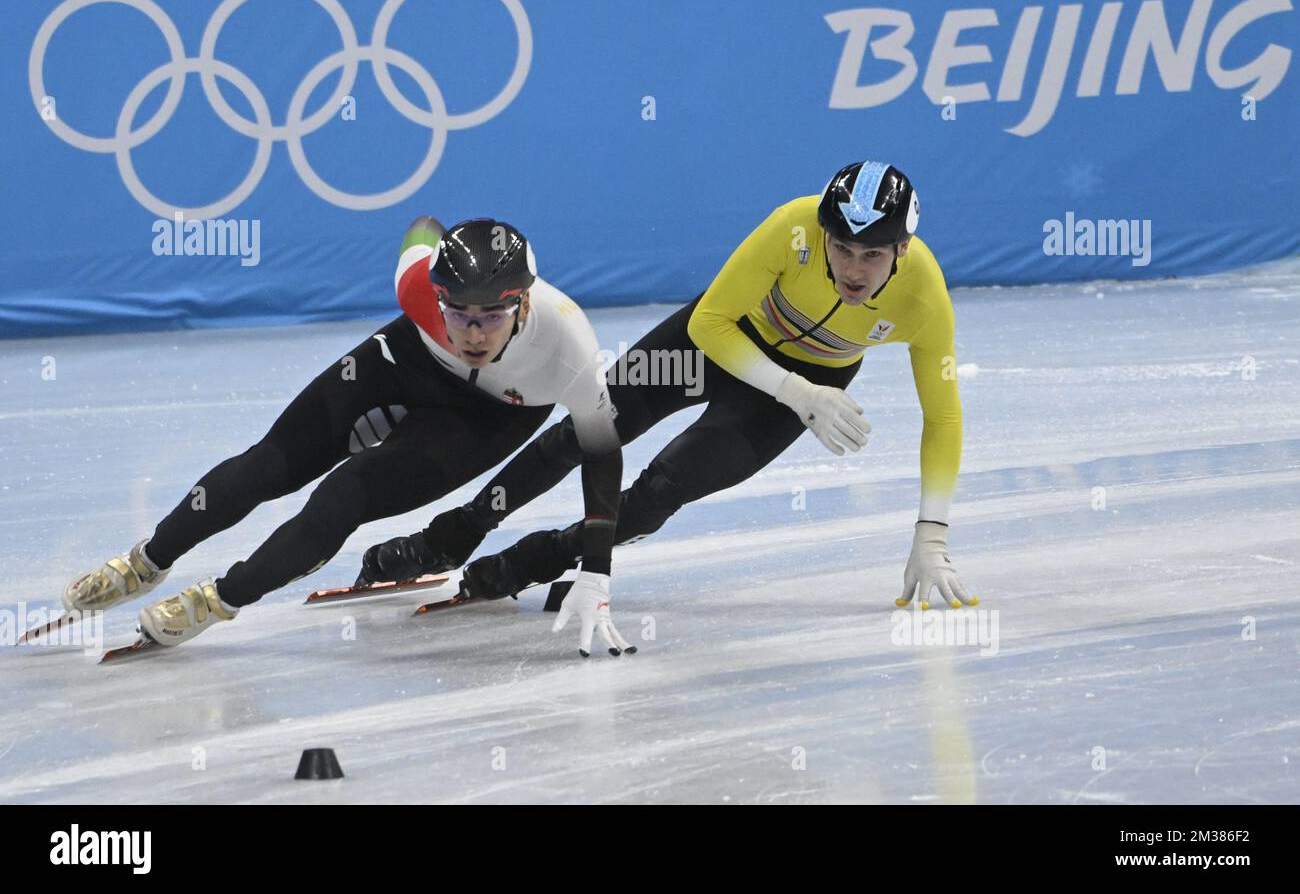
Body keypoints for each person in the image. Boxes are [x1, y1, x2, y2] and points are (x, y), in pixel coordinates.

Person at [360, 162, 978, 611]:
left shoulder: (925, 298)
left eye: (872, 256)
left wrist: (932, 535)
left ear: (903, 249)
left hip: (802, 385)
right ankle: (450, 537)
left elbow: (943, 418)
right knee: (584, 431)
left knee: (659, 493)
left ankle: (531, 562)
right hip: (713, 345)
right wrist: (800, 393)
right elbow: (710, 323)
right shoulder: (792, 227)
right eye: (841, 248)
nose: (851, 268)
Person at [58, 217, 635, 657]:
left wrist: (597, 571)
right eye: (457, 312)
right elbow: (422, 226)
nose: (473, 331)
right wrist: (434, 245)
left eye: (491, 315)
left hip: (490, 414)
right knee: (268, 464)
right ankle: (146, 561)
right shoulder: (417, 289)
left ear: (524, 301)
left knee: (342, 495)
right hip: (406, 361)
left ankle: (221, 599)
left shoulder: (567, 344)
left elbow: (602, 454)